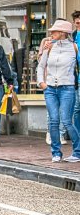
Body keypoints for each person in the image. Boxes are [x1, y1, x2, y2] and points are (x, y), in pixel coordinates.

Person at [36, 19, 80, 163]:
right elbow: (41, 66)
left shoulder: (74, 48)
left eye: (54, 31)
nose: (51, 33)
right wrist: (41, 83)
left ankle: (77, 151)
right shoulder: (49, 46)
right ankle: (56, 152)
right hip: (50, 89)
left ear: (63, 33)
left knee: (67, 121)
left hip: (67, 88)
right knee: (54, 121)